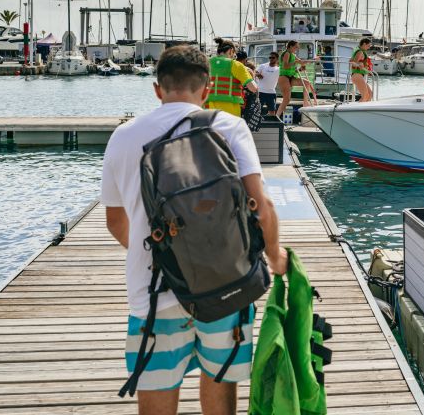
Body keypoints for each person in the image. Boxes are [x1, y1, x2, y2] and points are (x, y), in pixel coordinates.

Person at [102, 45, 287, 415]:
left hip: (152, 292)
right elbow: (262, 205)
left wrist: (169, 255)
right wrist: (274, 255)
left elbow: (115, 222)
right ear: (207, 89)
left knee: (156, 397)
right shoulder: (229, 127)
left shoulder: (123, 137)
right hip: (226, 284)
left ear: (157, 89)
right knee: (220, 388)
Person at [205, 38, 258, 117]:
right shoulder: (235, 65)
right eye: (234, 55)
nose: (234, 57)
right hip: (230, 113)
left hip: (208, 113)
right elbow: (253, 88)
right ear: (230, 51)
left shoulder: (205, 63)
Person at [277, 40, 318, 119]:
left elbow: (302, 62)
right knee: (286, 99)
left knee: (307, 83)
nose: (297, 48)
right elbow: (286, 66)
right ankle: (277, 115)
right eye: (296, 47)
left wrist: (313, 59)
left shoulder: (292, 54)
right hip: (284, 77)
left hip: (291, 77)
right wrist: (296, 62)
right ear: (290, 46)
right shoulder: (287, 53)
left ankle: (305, 104)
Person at [254, 51, 281, 117]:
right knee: (257, 110)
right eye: (270, 57)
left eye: (273, 58)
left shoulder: (279, 69)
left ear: (277, 59)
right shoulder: (263, 66)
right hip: (260, 92)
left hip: (271, 92)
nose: (271, 59)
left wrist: (299, 69)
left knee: (272, 112)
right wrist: (258, 74)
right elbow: (254, 72)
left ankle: (271, 125)